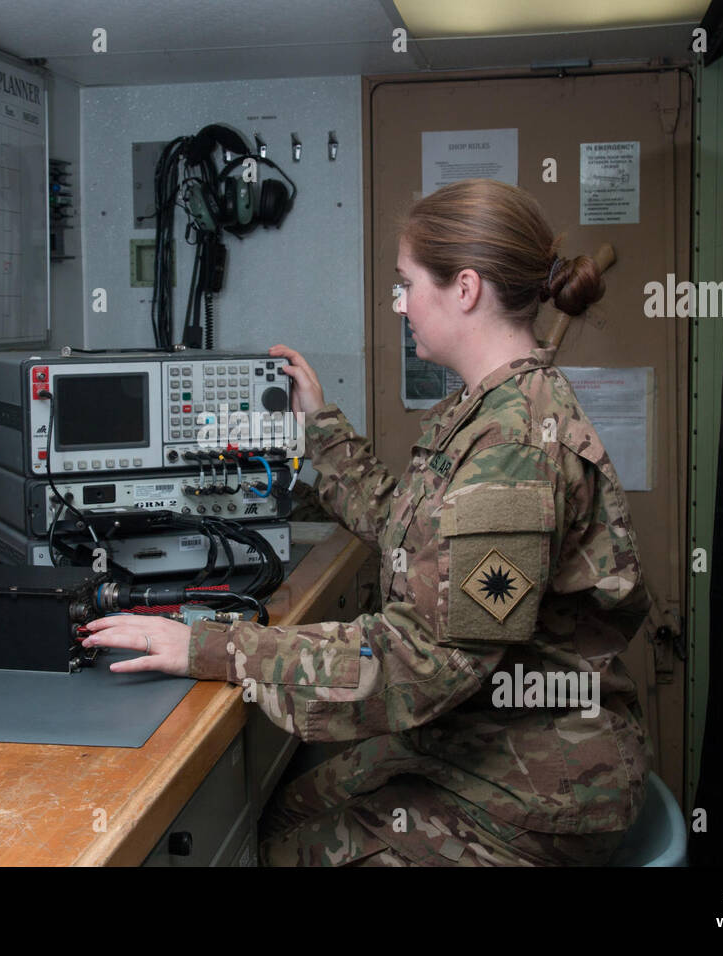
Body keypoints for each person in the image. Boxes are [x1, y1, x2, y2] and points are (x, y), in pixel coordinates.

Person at [84, 178, 657, 866]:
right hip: (489, 736)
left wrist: (210, 648)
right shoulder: (492, 409)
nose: (401, 304)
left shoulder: (512, 448)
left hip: (537, 783)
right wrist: (317, 427)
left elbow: (424, 665)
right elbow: (408, 532)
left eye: (408, 284)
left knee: (278, 850)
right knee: (285, 806)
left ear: (466, 288)